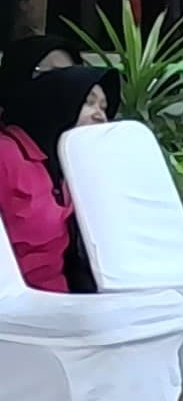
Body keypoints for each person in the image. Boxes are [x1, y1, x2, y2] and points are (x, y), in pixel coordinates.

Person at [0, 63, 109, 292]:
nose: (101, 116)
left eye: (104, 107)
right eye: (88, 102)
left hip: (62, 302)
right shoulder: (6, 154)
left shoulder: (73, 165)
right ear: (57, 102)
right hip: (14, 309)